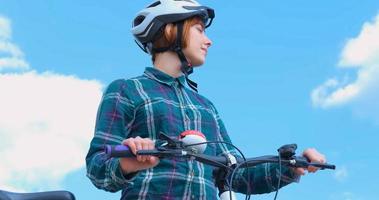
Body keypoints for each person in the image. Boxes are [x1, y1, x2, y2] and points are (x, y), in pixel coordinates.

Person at [85, 0, 327, 199]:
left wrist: (292, 165)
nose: (208, 41)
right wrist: (128, 163)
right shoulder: (127, 90)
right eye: (200, 30)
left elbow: (235, 173)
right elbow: (97, 167)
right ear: (171, 30)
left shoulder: (206, 107)